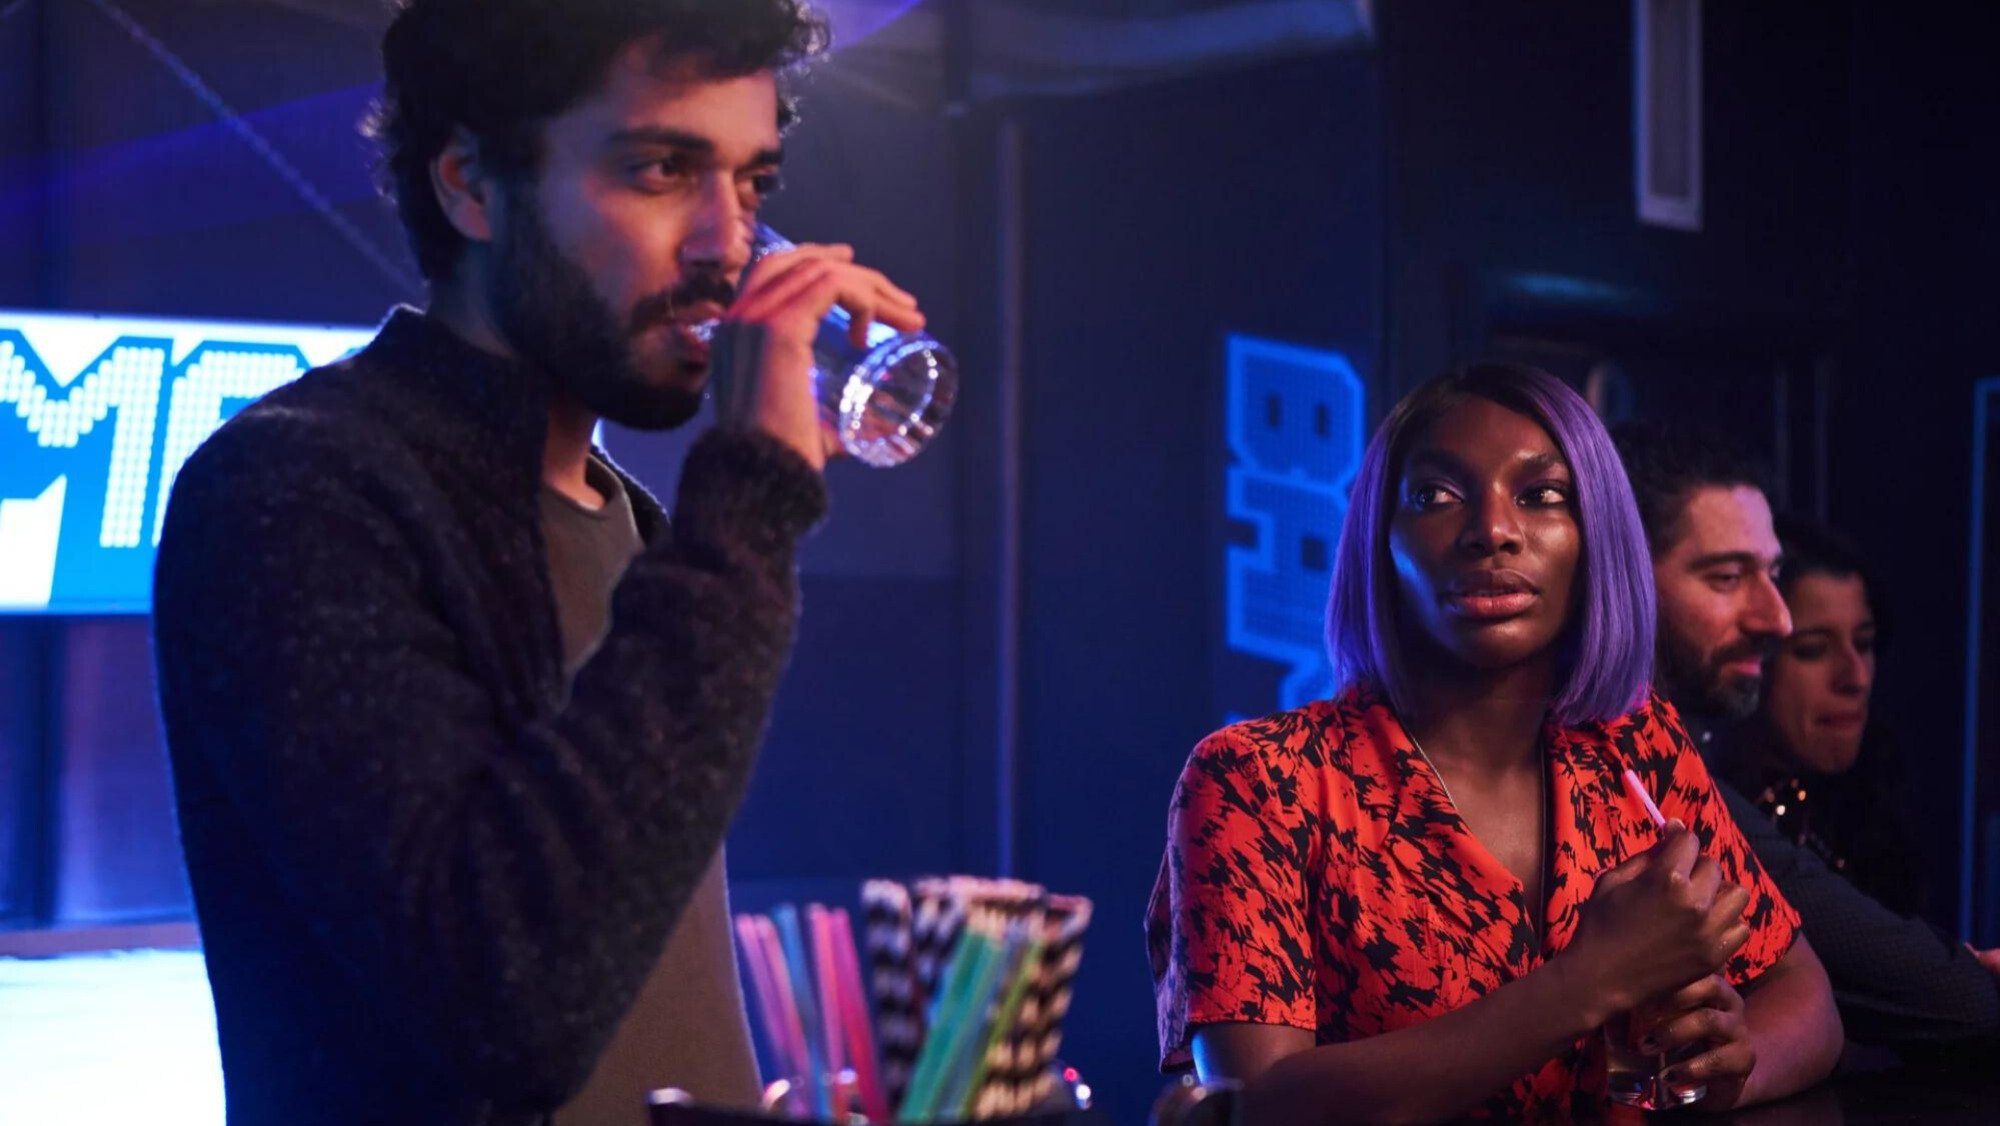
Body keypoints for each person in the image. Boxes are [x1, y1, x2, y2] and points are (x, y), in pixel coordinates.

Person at [151, 2, 928, 1123]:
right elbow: (502, 1008)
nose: (727, 244)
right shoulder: (296, 489)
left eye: (752, 184)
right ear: (469, 182)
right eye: (663, 169)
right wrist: (753, 484)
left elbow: (629, 982)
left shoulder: (639, 524)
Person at [1147, 364, 1840, 1122]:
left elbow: (1804, 998)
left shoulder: (1637, 747)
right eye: (1436, 497)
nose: (1492, 531)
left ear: (1597, 536)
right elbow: (1259, 1106)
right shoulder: (1260, 781)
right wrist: (1592, 979)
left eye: (1542, 496)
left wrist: (1736, 1064)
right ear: (1382, 542)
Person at [1613, 420, 2000, 1057]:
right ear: (1619, 580)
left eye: (1771, 573)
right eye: (1726, 577)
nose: (1777, 619)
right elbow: (1955, 1003)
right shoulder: (1630, 757)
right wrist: (1952, 980)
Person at [1731, 516, 1924, 916]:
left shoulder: (1871, 797)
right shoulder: (1714, 815)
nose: (1855, 678)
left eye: (1865, 643)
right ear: (1754, 660)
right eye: (1813, 650)